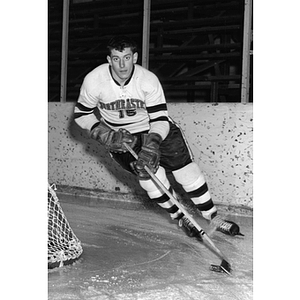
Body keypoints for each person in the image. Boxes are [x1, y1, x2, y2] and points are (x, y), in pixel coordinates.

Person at [74, 35, 240, 239]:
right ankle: (181, 216)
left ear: (135, 57)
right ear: (109, 60)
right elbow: (82, 115)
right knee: (150, 180)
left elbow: (160, 118)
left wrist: (152, 144)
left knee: (186, 172)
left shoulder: (148, 80)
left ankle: (212, 217)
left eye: (126, 57)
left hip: (155, 129)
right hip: (122, 138)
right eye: (116, 59)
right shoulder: (94, 80)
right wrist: (105, 134)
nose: (122, 64)